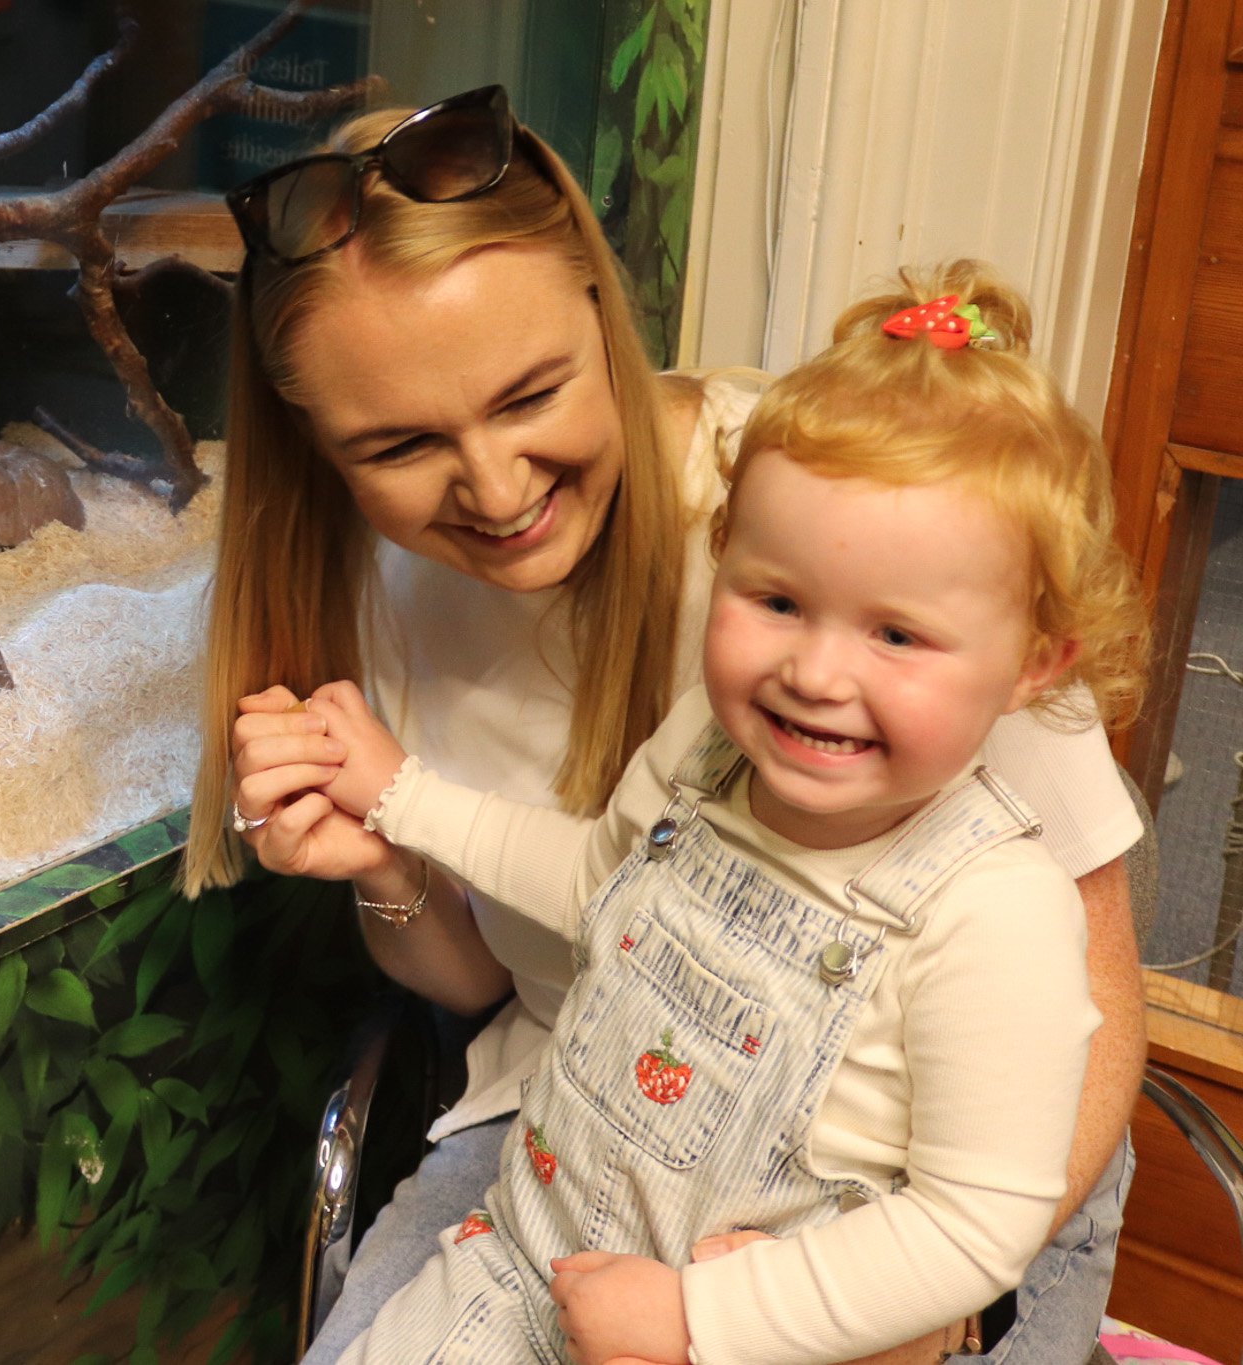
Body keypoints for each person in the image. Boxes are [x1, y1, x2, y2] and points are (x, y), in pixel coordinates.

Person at [188, 86, 1148, 1365]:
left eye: (530, 395)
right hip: (569, 1151)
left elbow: (1033, 1110)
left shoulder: (873, 513)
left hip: (872, 1239)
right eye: (403, 443)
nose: (493, 488)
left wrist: (860, 1318)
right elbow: (572, 911)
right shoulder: (697, 720)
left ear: (602, 309)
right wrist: (389, 838)